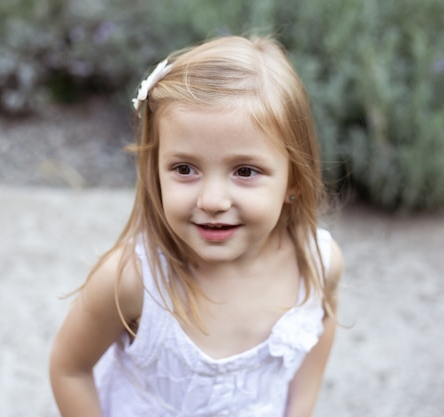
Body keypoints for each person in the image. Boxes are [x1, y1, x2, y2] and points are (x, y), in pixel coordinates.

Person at [49, 35, 344, 417]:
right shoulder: (133, 281)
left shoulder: (318, 265)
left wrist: (300, 408)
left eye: (245, 171)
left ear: (294, 180)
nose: (213, 201)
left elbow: (321, 326)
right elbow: (69, 368)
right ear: (155, 173)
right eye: (185, 169)